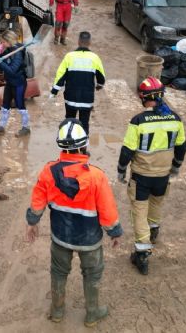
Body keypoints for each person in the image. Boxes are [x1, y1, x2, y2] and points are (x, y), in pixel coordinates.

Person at [25, 118, 122, 327]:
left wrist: (32, 222)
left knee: (59, 272)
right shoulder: (96, 176)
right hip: (90, 240)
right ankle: (92, 313)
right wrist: (114, 232)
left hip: (61, 237)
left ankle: (57, 311)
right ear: (84, 144)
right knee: (92, 274)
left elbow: (38, 201)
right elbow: (107, 209)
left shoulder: (49, 171)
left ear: (60, 145)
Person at [116, 77, 186, 275]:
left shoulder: (138, 121)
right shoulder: (175, 118)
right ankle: (154, 230)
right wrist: (176, 166)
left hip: (141, 177)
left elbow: (127, 150)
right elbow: (182, 146)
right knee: (156, 203)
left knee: (139, 211)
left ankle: (142, 252)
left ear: (143, 98)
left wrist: (121, 170)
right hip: (163, 175)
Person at [50, 31, 105, 136]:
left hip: (71, 97)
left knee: (70, 122)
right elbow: (101, 78)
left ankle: (69, 146)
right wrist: (99, 86)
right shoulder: (95, 58)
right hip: (87, 99)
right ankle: (83, 149)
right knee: (84, 123)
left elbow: (60, 76)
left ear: (78, 42)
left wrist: (54, 91)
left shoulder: (69, 56)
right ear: (89, 43)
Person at [0, 30, 30, 137]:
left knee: (20, 105)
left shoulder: (17, 53)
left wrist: (0, 62)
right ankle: (1, 127)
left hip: (18, 83)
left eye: (3, 42)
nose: (1, 44)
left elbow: (12, 70)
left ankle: (26, 128)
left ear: (8, 41)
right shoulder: (8, 50)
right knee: (5, 104)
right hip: (9, 82)